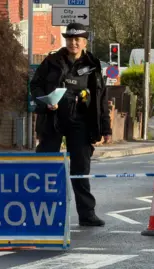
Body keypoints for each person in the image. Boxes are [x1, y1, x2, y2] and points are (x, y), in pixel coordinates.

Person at [29, 22, 112, 227]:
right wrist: (46, 101)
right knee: (45, 167)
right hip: (53, 120)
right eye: (70, 39)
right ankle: (41, 213)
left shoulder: (93, 65)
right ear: (65, 40)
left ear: (85, 42)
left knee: (81, 169)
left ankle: (87, 214)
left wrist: (106, 127)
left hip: (81, 122)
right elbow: (35, 85)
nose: (73, 43)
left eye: (77, 39)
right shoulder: (52, 61)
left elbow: (101, 98)